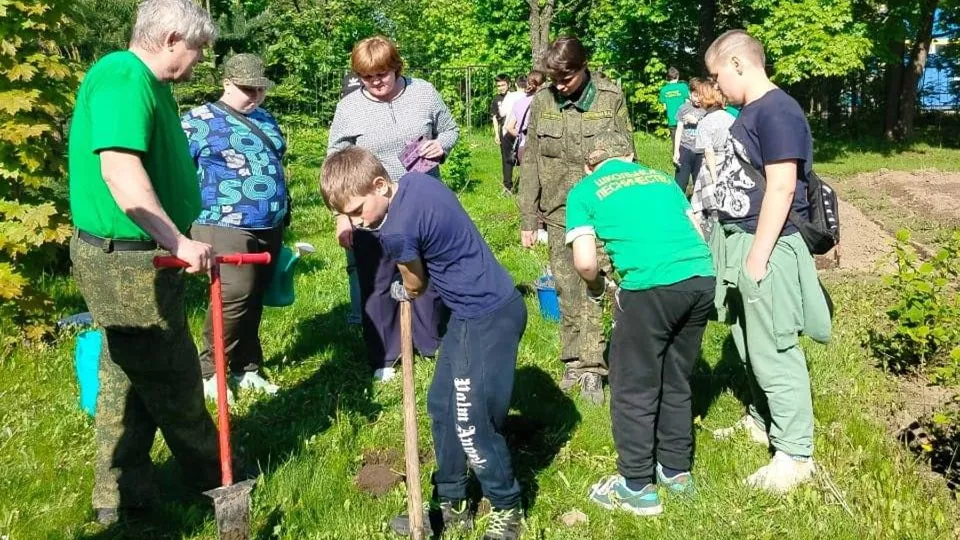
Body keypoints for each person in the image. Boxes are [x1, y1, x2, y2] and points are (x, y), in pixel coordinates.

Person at [67, 0, 221, 525]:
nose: (200, 59)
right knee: (175, 378)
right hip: (128, 262)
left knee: (127, 376)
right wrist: (177, 241)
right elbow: (119, 170)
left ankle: (120, 490)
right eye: (198, 48)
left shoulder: (148, 84)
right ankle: (216, 478)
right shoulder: (123, 75)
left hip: (139, 257)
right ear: (173, 38)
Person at [321, 147, 526, 540]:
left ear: (380, 185)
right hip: (469, 312)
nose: (357, 222)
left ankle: (507, 507)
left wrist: (403, 288)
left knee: (472, 421)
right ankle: (453, 501)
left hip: (489, 316)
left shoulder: (395, 231)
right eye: (347, 215)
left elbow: (415, 283)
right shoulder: (416, 183)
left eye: (358, 210)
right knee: (442, 405)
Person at [705, 29, 832, 493]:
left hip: (769, 247)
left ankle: (795, 456)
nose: (717, 87)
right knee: (747, 342)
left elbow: (781, 185)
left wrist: (758, 257)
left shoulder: (778, 110)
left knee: (774, 350)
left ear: (738, 64)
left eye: (718, 75)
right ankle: (763, 421)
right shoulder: (751, 111)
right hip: (741, 240)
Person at [566, 130, 715, 516]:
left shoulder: (584, 190)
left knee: (633, 386)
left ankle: (636, 487)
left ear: (589, 166)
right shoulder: (662, 179)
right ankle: (676, 471)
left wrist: (599, 289)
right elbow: (698, 231)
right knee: (675, 377)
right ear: (631, 158)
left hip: (649, 286)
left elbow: (585, 263)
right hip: (700, 277)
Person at [327, 35, 458, 382]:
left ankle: (430, 344)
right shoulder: (349, 108)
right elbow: (335, 162)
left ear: (396, 67)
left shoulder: (423, 92)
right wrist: (342, 216)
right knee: (378, 280)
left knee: (427, 274)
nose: (375, 82)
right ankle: (385, 356)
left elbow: (450, 129)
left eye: (382, 74)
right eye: (367, 77)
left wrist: (440, 146)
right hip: (370, 209)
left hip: (422, 203)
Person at [519, 35, 634, 405]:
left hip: (601, 212)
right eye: (554, 79)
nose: (561, 86)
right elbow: (531, 159)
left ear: (584, 66)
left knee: (594, 286)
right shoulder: (542, 101)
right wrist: (528, 216)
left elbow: (627, 155)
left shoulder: (610, 97)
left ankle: (593, 368)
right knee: (566, 288)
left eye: (566, 78)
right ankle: (572, 360)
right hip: (558, 211)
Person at [181, 53, 286, 400]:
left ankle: (246, 367)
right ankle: (211, 371)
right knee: (235, 292)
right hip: (221, 221)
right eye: (247, 89)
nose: (255, 96)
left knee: (255, 294)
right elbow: (177, 171)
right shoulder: (197, 121)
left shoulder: (265, 118)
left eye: (260, 89)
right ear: (226, 83)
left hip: (268, 222)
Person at [690, 78, 736, 237]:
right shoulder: (731, 118)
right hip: (730, 164)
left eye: (700, 95)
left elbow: (708, 151)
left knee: (706, 210)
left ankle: (710, 239)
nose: (698, 99)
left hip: (712, 167)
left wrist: (714, 178)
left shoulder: (705, 122)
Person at [672, 77, 707, 193]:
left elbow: (709, 129)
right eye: (695, 95)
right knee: (680, 182)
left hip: (701, 151)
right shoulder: (683, 109)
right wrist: (676, 151)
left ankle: (698, 203)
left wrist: (696, 122)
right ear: (689, 93)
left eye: (701, 96)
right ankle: (679, 202)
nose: (698, 99)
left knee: (700, 183)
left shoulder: (706, 110)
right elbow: (679, 131)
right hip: (685, 149)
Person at [504, 70, 546, 166]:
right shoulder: (543, 102)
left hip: (523, 147)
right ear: (543, 84)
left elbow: (509, 127)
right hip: (540, 149)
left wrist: (522, 137)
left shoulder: (519, 102)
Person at [497, 76, 525, 191]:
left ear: (516, 85)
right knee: (525, 158)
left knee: (507, 159)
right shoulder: (530, 96)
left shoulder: (510, 96)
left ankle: (507, 186)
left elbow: (502, 113)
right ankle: (525, 185)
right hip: (523, 132)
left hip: (508, 132)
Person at [658, 67, 689, 141]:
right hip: (684, 119)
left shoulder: (663, 90)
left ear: (667, 78)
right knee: (686, 143)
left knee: (675, 142)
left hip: (672, 121)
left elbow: (665, 107)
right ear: (677, 76)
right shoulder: (683, 86)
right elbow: (688, 102)